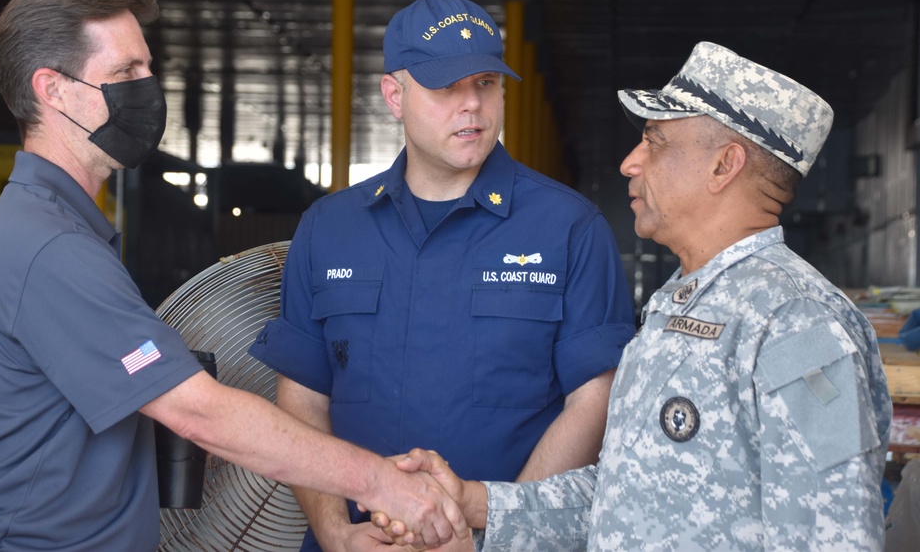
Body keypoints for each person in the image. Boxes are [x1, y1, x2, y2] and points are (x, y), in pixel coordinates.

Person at [0, 0, 467, 552]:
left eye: (147, 68)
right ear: (52, 90)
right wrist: (384, 484)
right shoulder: (48, 247)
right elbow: (198, 413)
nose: (148, 89)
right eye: (125, 73)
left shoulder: (56, 226)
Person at [379, 41, 893, 551]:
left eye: (655, 142)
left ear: (723, 166)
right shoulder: (679, 303)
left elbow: (835, 538)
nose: (630, 162)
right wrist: (474, 505)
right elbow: (624, 495)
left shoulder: (797, 321)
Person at [248, 0, 636, 551]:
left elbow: (596, 399)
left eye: (485, 84)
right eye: (446, 87)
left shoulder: (568, 228)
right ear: (393, 95)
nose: (472, 106)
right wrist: (336, 533)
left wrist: (504, 538)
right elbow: (304, 398)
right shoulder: (328, 228)